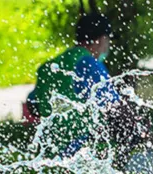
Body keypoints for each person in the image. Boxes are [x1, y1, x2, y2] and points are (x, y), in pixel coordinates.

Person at [26, 12, 140, 159]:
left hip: (49, 151)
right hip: (81, 151)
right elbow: (114, 107)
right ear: (101, 40)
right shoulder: (89, 64)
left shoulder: (48, 67)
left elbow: (33, 104)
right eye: (108, 41)